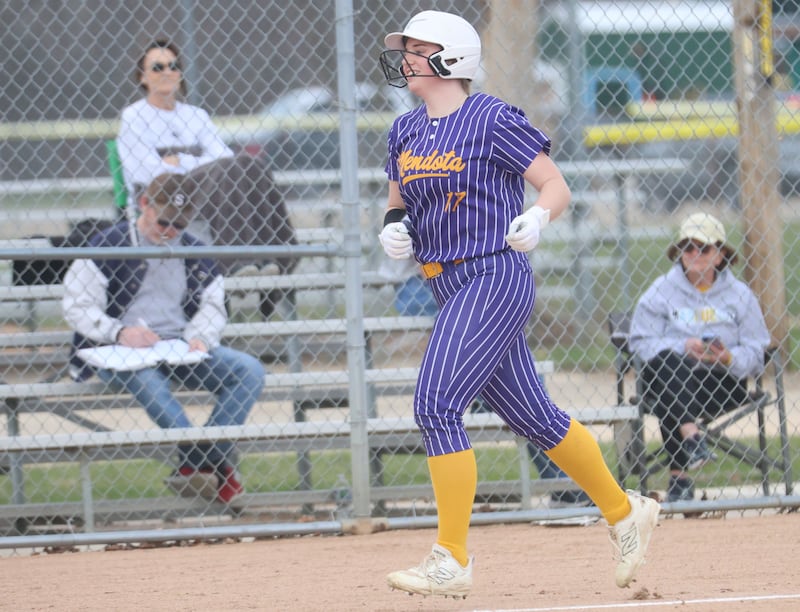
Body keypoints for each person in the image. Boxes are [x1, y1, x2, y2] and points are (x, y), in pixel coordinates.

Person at [376, 10, 659, 598]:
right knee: (535, 418)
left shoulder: (491, 118)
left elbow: (555, 185)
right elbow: (398, 195)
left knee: (434, 404)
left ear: (450, 58)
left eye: (416, 47)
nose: (404, 57)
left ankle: (451, 557)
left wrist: (537, 215)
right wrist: (394, 226)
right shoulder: (405, 130)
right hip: (445, 282)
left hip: (493, 274)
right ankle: (625, 511)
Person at [62, 173, 265, 505]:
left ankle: (195, 465)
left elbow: (213, 307)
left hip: (179, 347)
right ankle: (215, 467)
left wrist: (200, 336)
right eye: (165, 221)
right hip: (117, 350)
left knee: (249, 371)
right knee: (147, 379)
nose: (170, 231)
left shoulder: (195, 250)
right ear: (144, 204)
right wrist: (119, 332)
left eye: (179, 225)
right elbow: (76, 305)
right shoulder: (107, 245)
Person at [382, 258, 590, 508]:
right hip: (423, 281)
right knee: (448, 406)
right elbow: (419, 228)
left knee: (528, 404)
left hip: (481, 278)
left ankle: (583, 493)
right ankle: (569, 487)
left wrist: (536, 219)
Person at [117, 39, 297, 317]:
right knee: (228, 169)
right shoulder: (134, 117)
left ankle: (269, 259)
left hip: (210, 187)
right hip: (163, 195)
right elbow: (146, 171)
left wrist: (181, 160)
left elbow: (222, 155)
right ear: (142, 77)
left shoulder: (195, 115)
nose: (167, 72)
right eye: (157, 67)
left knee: (249, 163)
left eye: (173, 66)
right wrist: (195, 160)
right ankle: (240, 263)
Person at [629, 213, 770, 503]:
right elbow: (641, 342)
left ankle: (681, 477)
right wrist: (685, 345)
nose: (694, 254)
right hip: (670, 376)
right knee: (671, 364)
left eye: (703, 248)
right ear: (679, 253)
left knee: (670, 384)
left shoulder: (741, 296)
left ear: (719, 255)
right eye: (687, 247)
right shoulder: (660, 292)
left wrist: (728, 357)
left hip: (719, 384)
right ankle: (691, 435)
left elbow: (758, 351)